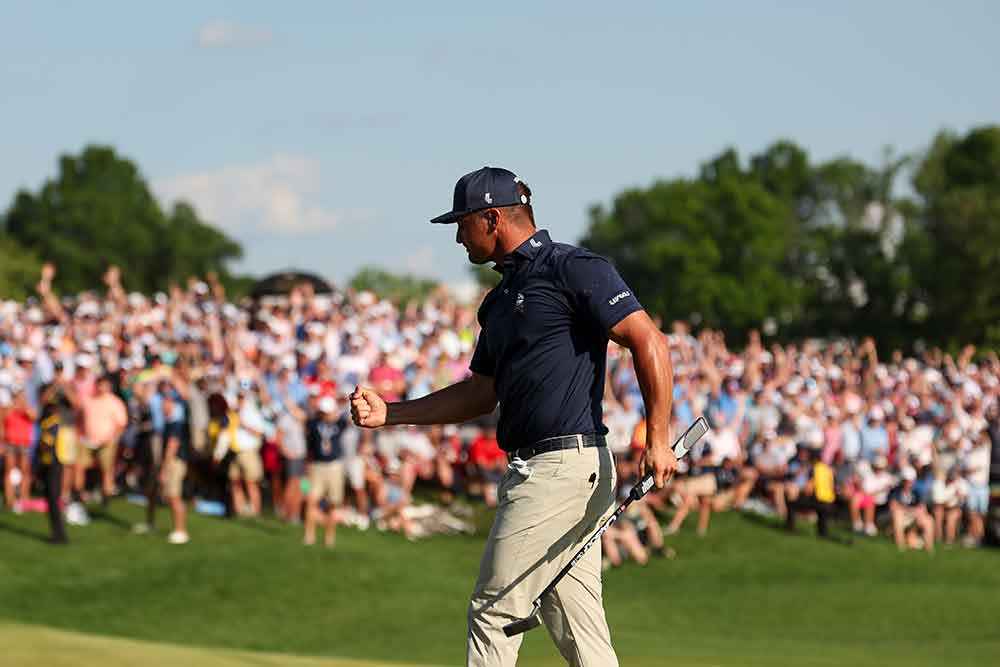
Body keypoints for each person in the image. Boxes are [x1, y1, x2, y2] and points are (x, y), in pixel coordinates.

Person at [351, 167, 677, 667]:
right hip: (545, 470)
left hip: (560, 469)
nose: (459, 238)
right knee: (577, 626)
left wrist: (658, 438)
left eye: (463, 224)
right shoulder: (500, 301)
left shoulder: (573, 267)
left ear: (492, 219)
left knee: (494, 610)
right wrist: (391, 414)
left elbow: (648, 340)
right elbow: (480, 394)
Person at [304, 395, 348, 547]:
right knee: (311, 500)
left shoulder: (340, 423)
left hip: (334, 467)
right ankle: (309, 536)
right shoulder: (313, 423)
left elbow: (349, 418)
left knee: (333, 504)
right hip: (317, 466)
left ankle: (329, 538)